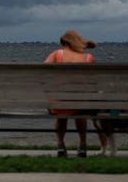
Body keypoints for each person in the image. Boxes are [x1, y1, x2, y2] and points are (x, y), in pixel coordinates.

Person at [43, 30, 96, 158]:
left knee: (62, 110)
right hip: (81, 103)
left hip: (60, 103)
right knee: (81, 110)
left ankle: (60, 144)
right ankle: (83, 145)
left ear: (66, 44)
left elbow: (43, 70)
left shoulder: (57, 53)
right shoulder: (89, 58)